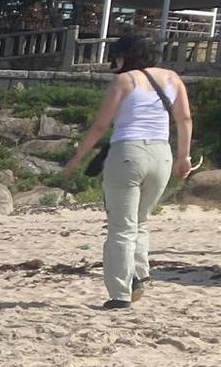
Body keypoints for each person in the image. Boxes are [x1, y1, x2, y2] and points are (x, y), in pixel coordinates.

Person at [64, 31, 196, 309]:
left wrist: (78, 157)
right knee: (141, 220)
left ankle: (121, 293)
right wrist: (184, 157)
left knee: (121, 228)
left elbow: (101, 125)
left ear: (124, 55)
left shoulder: (124, 80)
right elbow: (184, 119)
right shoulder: (172, 78)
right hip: (162, 154)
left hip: (128, 153)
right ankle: (139, 272)